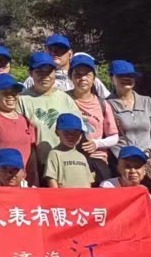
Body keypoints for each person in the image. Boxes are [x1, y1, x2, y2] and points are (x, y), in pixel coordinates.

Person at [108, 61, 151, 186]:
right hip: (123, 166)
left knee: (149, 195)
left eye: (130, 75)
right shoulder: (106, 104)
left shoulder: (147, 101)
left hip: (148, 163)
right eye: (121, 75)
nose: (126, 78)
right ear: (112, 78)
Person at [20, 53, 80, 175]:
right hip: (36, 165)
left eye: (49, 72)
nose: (45, 76)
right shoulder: (22, 100)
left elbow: (79, 131)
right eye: (39, 72)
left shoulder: (65, 98)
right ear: (31, 73)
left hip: (64, 162)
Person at [67, 53, 120, 182]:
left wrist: (96, 143)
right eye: (78, 74)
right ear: (71, 77)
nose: (83, 78)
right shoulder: (63, 99)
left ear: (94, 78)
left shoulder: (103, 104)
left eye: (87, 74)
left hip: (97, 159)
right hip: (69, 158)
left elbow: (114, 137)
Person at [0, 74, 40, 186]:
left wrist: (34, 180)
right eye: (5, 93)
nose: (10, 96)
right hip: (2, 182)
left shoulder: (25, 119)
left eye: (14, 92)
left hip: (25, 183)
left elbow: (31, 155)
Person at [43, 114, 96, 189]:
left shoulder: (82, 157)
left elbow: (88, 182)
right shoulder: (55, 154)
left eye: (76, 133)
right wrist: (56, 195)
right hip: (65, 195)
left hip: (84, 195)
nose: (71, 136)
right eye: (66, 132)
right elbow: (51, 179)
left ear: (81, 135)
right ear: (57, 132)